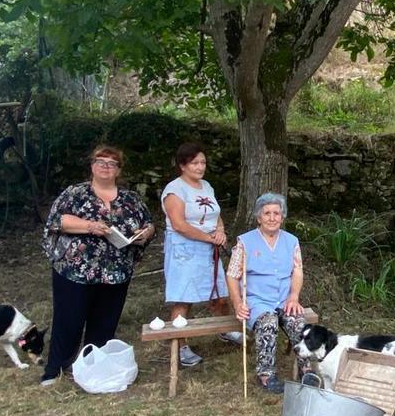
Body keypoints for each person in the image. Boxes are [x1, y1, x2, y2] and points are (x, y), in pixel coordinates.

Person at [41, 144, 155, 386]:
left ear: (118, 170)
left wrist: (144, 233)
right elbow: (57, 220)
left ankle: (94, 370)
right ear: (92, 166)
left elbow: (149, 224)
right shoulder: (75, 193)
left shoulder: (131, 199)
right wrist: (91, 226)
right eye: (100, 161)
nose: (105, 166)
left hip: (116, 272)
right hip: (75, 270)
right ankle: (55, 370)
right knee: (68, 320)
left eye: (111, 163)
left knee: (105, 323)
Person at [162, 143, 241, 367]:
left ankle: (225, 329)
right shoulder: (174, 190)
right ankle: (181, 344)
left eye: (203, 162)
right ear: (182, 165)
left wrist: (220, 231)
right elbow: (179, 224)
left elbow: (215, 214)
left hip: (209, 247)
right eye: (195, 163)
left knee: (219, 293)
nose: (200, 167)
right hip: (184, 249)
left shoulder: (206, 186)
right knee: (184, 297)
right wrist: (209, 238)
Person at [227, 192, 310, 394]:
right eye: (267, 213)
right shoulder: (245, 242)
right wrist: (238, 303)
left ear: (282, 217)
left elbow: (297, 270)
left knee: (299, 324)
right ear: (259, 217)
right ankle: (266, 375)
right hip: (257, 300)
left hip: (284, 299)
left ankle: (306, 370)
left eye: (276, 213)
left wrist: (294, 296)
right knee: (268, 322)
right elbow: (232, 275)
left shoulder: (291, 241)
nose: (272, 218)